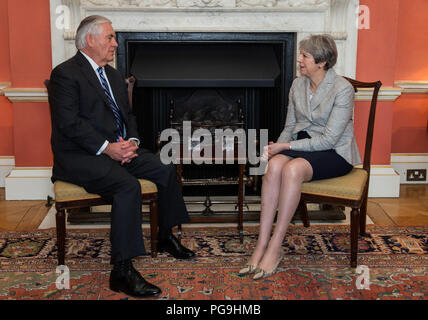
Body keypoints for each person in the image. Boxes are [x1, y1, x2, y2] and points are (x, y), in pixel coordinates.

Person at [49, 15, 195, 298]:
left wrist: (132, 142)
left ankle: (164, 236)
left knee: (165, 166)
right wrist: (107, 147)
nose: (115, 43)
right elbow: (69, 124)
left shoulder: (113, 75)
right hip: (81, 156)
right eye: (109, 37)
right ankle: (122, 271)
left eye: (114, 38)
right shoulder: (65, 74)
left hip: (118, 149)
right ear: (89, 40)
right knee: (128, 186)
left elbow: (128, 116)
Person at [239, 34, 361, 280]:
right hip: (302, 144)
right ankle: (261, 244)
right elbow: (290, 125)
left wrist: (287, 145)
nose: (299, 59)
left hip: (335, 152)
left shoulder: (342, 89)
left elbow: (329, 139)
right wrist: (279, 147)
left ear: (322, 62)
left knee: (292, 170)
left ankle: (276, 245)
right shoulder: (298, 84)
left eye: (305, 55)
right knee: (273, 166)